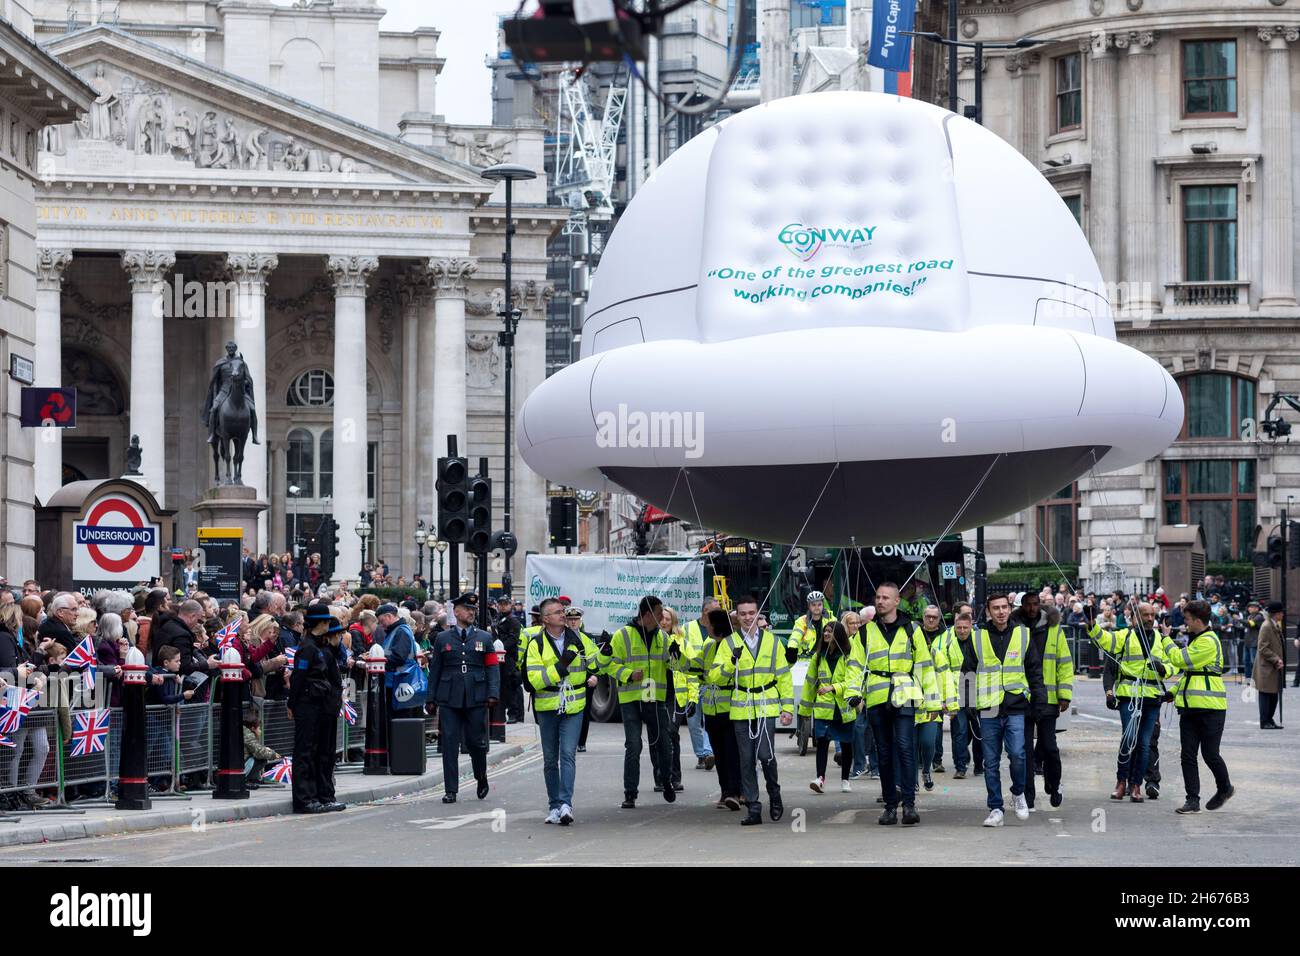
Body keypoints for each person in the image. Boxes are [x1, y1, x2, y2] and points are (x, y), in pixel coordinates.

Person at [707, 594, 793, 825]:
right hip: (742, 708)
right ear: (736, 617)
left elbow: (783, 675)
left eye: (751, 613)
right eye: (742, 614)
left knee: (766, 756)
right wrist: (730, 663)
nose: (747, 617)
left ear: (758, 614)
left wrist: (787, 707)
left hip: (766, 704)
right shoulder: (728, 643)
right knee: (745, 760)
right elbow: (713, 675)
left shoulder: (773, 642)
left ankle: (774, 794)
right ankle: (754, 808)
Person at [860, 582, 936, 826]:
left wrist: (933, 702)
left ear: (896, 602)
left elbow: (925, 667)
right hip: (876, 697)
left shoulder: (913, 630)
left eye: (885, 597)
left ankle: (910, 805)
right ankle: (891, 807)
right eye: (878, 597)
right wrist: (853, 693)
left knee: (904, 747)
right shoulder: (866, 632)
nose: (879, 601)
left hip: (903, 694)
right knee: (883, 753)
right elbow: (854, 666)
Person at [524, 597, 600, 824]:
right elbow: (534, 680)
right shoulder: (535, 644)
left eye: (563, 611)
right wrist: (560, 667)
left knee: (567, 755)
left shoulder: (580, 638)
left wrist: (606, 651)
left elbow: (596, 664)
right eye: (557, 612)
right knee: (550, 759)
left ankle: (566, 804)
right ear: (546, 619)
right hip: (547, 708)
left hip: (574, 706)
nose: (563, 615)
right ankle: (554, 806)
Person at [1158, 600, 1233, 813]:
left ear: (1198, 620)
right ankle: (1192, 800)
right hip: (1190, 708)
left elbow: (1182, 660)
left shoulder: (1208, 641)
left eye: (1188, 620)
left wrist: (1166, 639)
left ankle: (1224, 788)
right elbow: (1191, 676)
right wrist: (1171, 693)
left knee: (1210, 754)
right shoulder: (1197, 639)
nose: (1186, 624)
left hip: (1211, 708)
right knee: (1187, 755)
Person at [1087, 601, 1165, 803]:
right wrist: (1091, 625)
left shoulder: (1161, 639)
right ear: (1134, 618)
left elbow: (1173, 662)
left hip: (1152, 697)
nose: (1149, 619)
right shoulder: (1125, 635)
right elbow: (1104, 640)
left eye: (1152, 616)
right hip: (1129, 695)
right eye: (1145, 615)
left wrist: (1165, 669)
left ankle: (1136, 785)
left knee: (1144, 743)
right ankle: (1121, 782)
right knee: (1129, 738)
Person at [605, 595, 676, 809]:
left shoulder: (662, 637)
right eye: (658, 614)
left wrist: (676, 656)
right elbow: (610, 665)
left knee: (664, 742)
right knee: (634, 745)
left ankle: (667, 782)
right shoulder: (622, 636)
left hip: (654, 698)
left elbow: (673, 664)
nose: (662, 618)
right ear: (646, 615)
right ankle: (630, 793)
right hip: (631, 698)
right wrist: (627, 674)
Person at [428, 592, 499, 804]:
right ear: (456, 612)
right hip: (449, 697)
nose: (471, 613)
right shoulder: (442, 638)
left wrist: (493, 692)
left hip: (476, 697)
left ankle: (481, 776)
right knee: (449, 743)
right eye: (467, 609)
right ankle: (451, 789)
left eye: (473, 610)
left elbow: (493, 668)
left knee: (476, 743)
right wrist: (430, 698)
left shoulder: (484, 638)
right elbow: (435, 670)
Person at [972, 594, 1033, 827]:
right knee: (991, 761)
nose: (1000, 612)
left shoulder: (1022, 634)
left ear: (1010, 609)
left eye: (1004, 607)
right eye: (995, 608)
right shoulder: (978, 637)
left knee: (1018, 754)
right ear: (988, 611)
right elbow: (967, 671)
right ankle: (995, 808)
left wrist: (1036, 702)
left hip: (1015, 705)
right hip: (988, 707)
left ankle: (1018, 793)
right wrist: (968, 705)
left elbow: (1033, 669)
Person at [1011, 592, 1071, 810]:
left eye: (1036, 604)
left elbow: (1064, 662)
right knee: (1024, 750)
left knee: (1049, 747)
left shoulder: (1054, 628)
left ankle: (1054, 784)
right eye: (1028, 605)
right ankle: (1028, 795)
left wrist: (1065, 694)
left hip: (1049, 698)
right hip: (1022, 697)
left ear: (1040, 605)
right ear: (1022, 606)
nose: (1032, 608)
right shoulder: (1014, 628)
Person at [288, 603, 345, 813]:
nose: (328, 625)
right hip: (306, 705)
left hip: (316, 705)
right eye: (327, 622)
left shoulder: (316, 647)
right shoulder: (307, 649)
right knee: (305, 753)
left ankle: (318, 796)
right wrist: (291, 704)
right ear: (320, 623)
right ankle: (304, 799)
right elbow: (298, 678)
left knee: (317, 752)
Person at [801, 620, 864, 794]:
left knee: (846, 744)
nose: (826, 634)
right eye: (825, 631)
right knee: (822, 742)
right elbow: (810, 684)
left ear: (839, 635)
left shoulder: (848, 655)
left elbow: (853, 679)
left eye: (830, 631)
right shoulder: (818, 656)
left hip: (843, 709)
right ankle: (820, 778)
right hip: (824, 709)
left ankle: (845, 780)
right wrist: (804, 711)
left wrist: (833, 687)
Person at [698, 607, 742, 810]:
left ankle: (736, 791)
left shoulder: (735, 644)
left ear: (717, 625)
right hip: (711, 708)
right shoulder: (708, 645)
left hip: (731, 708)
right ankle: (726, 792)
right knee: (719, 754)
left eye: (708, 622)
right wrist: (676, 654)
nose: (705, 625)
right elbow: (694, 666)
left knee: (732, 753)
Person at [681, 598, 716, 771]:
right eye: (713, 610)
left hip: (710, 682)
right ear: (704, 611)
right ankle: (701, 755)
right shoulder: (688, 628)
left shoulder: (718, 628)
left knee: (708, 719)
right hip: (692, 681)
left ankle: (708, 752)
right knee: (694, 722)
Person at [559, 607, 601, 752]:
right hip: (564, 683)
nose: (573, 623)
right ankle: (566, 741)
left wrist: (595, 676)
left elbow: (595, 661)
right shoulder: (560, 638)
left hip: (583, 682)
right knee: (563, 713)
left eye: (576, 619)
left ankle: (581, 742)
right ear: (566, 621)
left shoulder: (586, 640)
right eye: (570, 620)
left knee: (584, 713)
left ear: (580, 620)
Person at [916, 604, 947, 782]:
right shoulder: (914, 635)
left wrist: (946, 699)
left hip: (933, 698)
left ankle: (929, 765)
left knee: (930, 741)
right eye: (927, 616)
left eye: (934, 617)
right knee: (910, 744)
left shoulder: (942, 641)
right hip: (911, 700)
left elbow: (945, 674)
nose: (930, 619)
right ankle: (912, 783)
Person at [378, 603, 424, 720]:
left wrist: (379, 660)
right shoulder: (396, 631)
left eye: (381, 620)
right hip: (397, 682)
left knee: (400, 719)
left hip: (400, 682)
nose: (380, 625)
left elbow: (399, 657)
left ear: (389, 616)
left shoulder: (401, 631)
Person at [1253, 601, 1286, 729]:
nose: (1283, 614)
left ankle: (1269, 719)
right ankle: (1264, 721)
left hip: (1273, 667)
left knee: (1273, 694)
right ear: (1276, 614)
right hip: (1266, 667)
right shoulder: (1266, 626)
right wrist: (1276, 659)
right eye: (1281, 612)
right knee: (1266, 695)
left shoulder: (1274, 624)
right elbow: (1262, 648)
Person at [493, 593, 524, 724]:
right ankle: (504, 711)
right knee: (502, 686)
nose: (502, 606)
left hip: (509, 657)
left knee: (510, 686)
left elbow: (513, 639)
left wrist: (501, 648)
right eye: (500, 604)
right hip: (499, 656)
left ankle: (513, 713)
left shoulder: (513, 620)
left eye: (505, 604)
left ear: (510, 605)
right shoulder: (498, 618)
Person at [789, 590, 833, 657]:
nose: (817, 607)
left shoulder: (831, 619)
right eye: (813, 605)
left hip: (825, 658)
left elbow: (839, 637)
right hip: (805, 660)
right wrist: (791, 649)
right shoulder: (801, 621)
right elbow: (795, 637)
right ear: (809, 606)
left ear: (823, 605)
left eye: (819, 604)